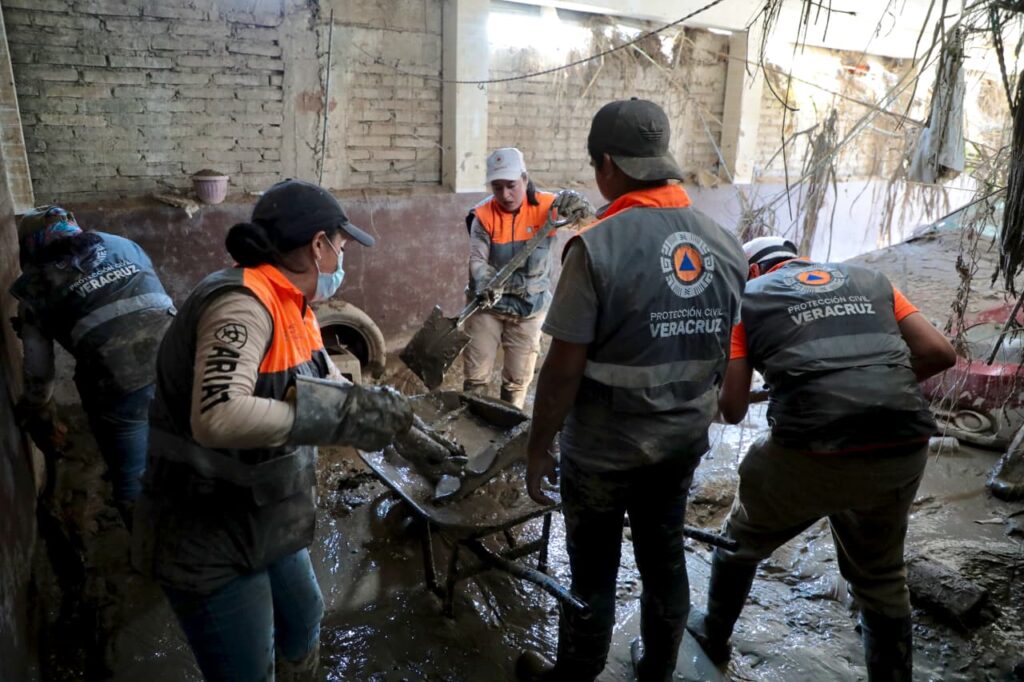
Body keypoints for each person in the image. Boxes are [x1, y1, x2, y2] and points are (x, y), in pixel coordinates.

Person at [131, 180, 413, 682]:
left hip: (263, 515)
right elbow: (217, 414)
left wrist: (395, 421)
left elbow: (327, 385)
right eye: (342, 244)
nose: (343, 257)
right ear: (318, 245)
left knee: (304, 617)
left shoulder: (295, 307)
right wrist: (333, 419)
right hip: (208, 528)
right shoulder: (241, 304)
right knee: (246, 669)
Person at [518, 98, 747, 682]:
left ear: (607, 166)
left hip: (601, 452)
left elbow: (563, 370)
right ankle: (658, 671)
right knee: (664, 555)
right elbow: (725, 352)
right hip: (678, 445)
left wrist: (539, 444)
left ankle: (576, 673)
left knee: (592, 570)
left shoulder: (597, 245)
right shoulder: (725, 245)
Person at [687, 236, 957, 681]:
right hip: (904, 440)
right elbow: (940, 353)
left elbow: (732, 409)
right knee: (882, 573)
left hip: (811, 449)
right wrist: (876, 387)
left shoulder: (746, 301)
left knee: (739, 541)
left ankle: (714, 632)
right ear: (799, 259)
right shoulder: (872, 280)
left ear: (751, 270)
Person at [10, 206, 175, 524]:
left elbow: (39, 374)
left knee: (132, 481)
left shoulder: (33, 287)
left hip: (118, 383)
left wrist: (34, 406)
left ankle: (151, 552)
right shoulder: (123, 245)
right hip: (180, 361)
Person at [464, 147, 591, 408]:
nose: (505, 195)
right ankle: (470, 424)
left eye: (511, 185)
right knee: (476, 376)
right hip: (487, 306)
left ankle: (507, 428)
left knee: (517, 379)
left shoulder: (550, 207)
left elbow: (588, 222)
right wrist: (484, 280)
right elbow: (477, 259)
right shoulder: (483, 216)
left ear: (524, 178)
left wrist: (581, 206)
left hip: (530, 308)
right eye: (497, 187)